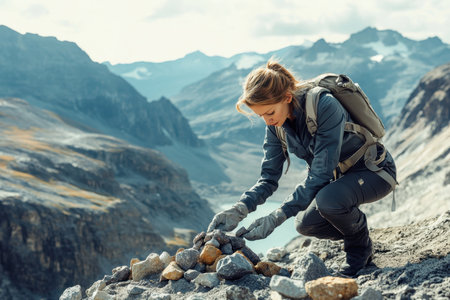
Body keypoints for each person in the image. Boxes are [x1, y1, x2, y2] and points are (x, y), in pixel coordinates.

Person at [207, 60, 397, 277]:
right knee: (305, 225)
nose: (267, 121)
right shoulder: (276, 126)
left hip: (373, 172)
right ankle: (358, 234)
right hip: (339, 182)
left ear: (287, 97)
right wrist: (240, 209)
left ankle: (359, 252)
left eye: (269, 113)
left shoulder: (324, 105)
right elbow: (268, 178)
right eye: (261, 116)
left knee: (329, 202)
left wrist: (277, 216)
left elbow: (320, 174)